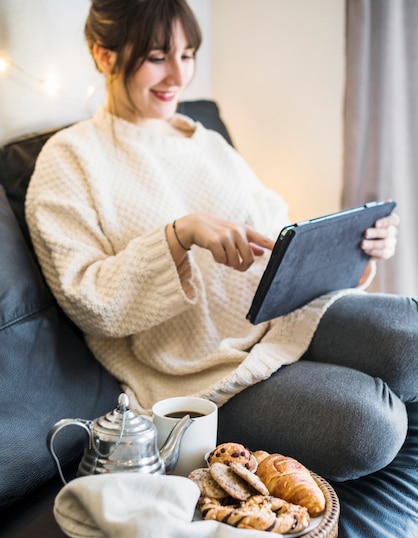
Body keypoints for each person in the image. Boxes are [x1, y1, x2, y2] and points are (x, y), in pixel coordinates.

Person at [26, 0, 417, 482]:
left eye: (188, 55)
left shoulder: (205, 140)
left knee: (411, 335)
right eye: (156, 56)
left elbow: (278, 235)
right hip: (204, 373)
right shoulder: (69, 159)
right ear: (104, 55)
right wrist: (178, 236)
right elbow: (88, 299)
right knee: (372, 426)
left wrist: (353, 248)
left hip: (287, 316)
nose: (178, 74)